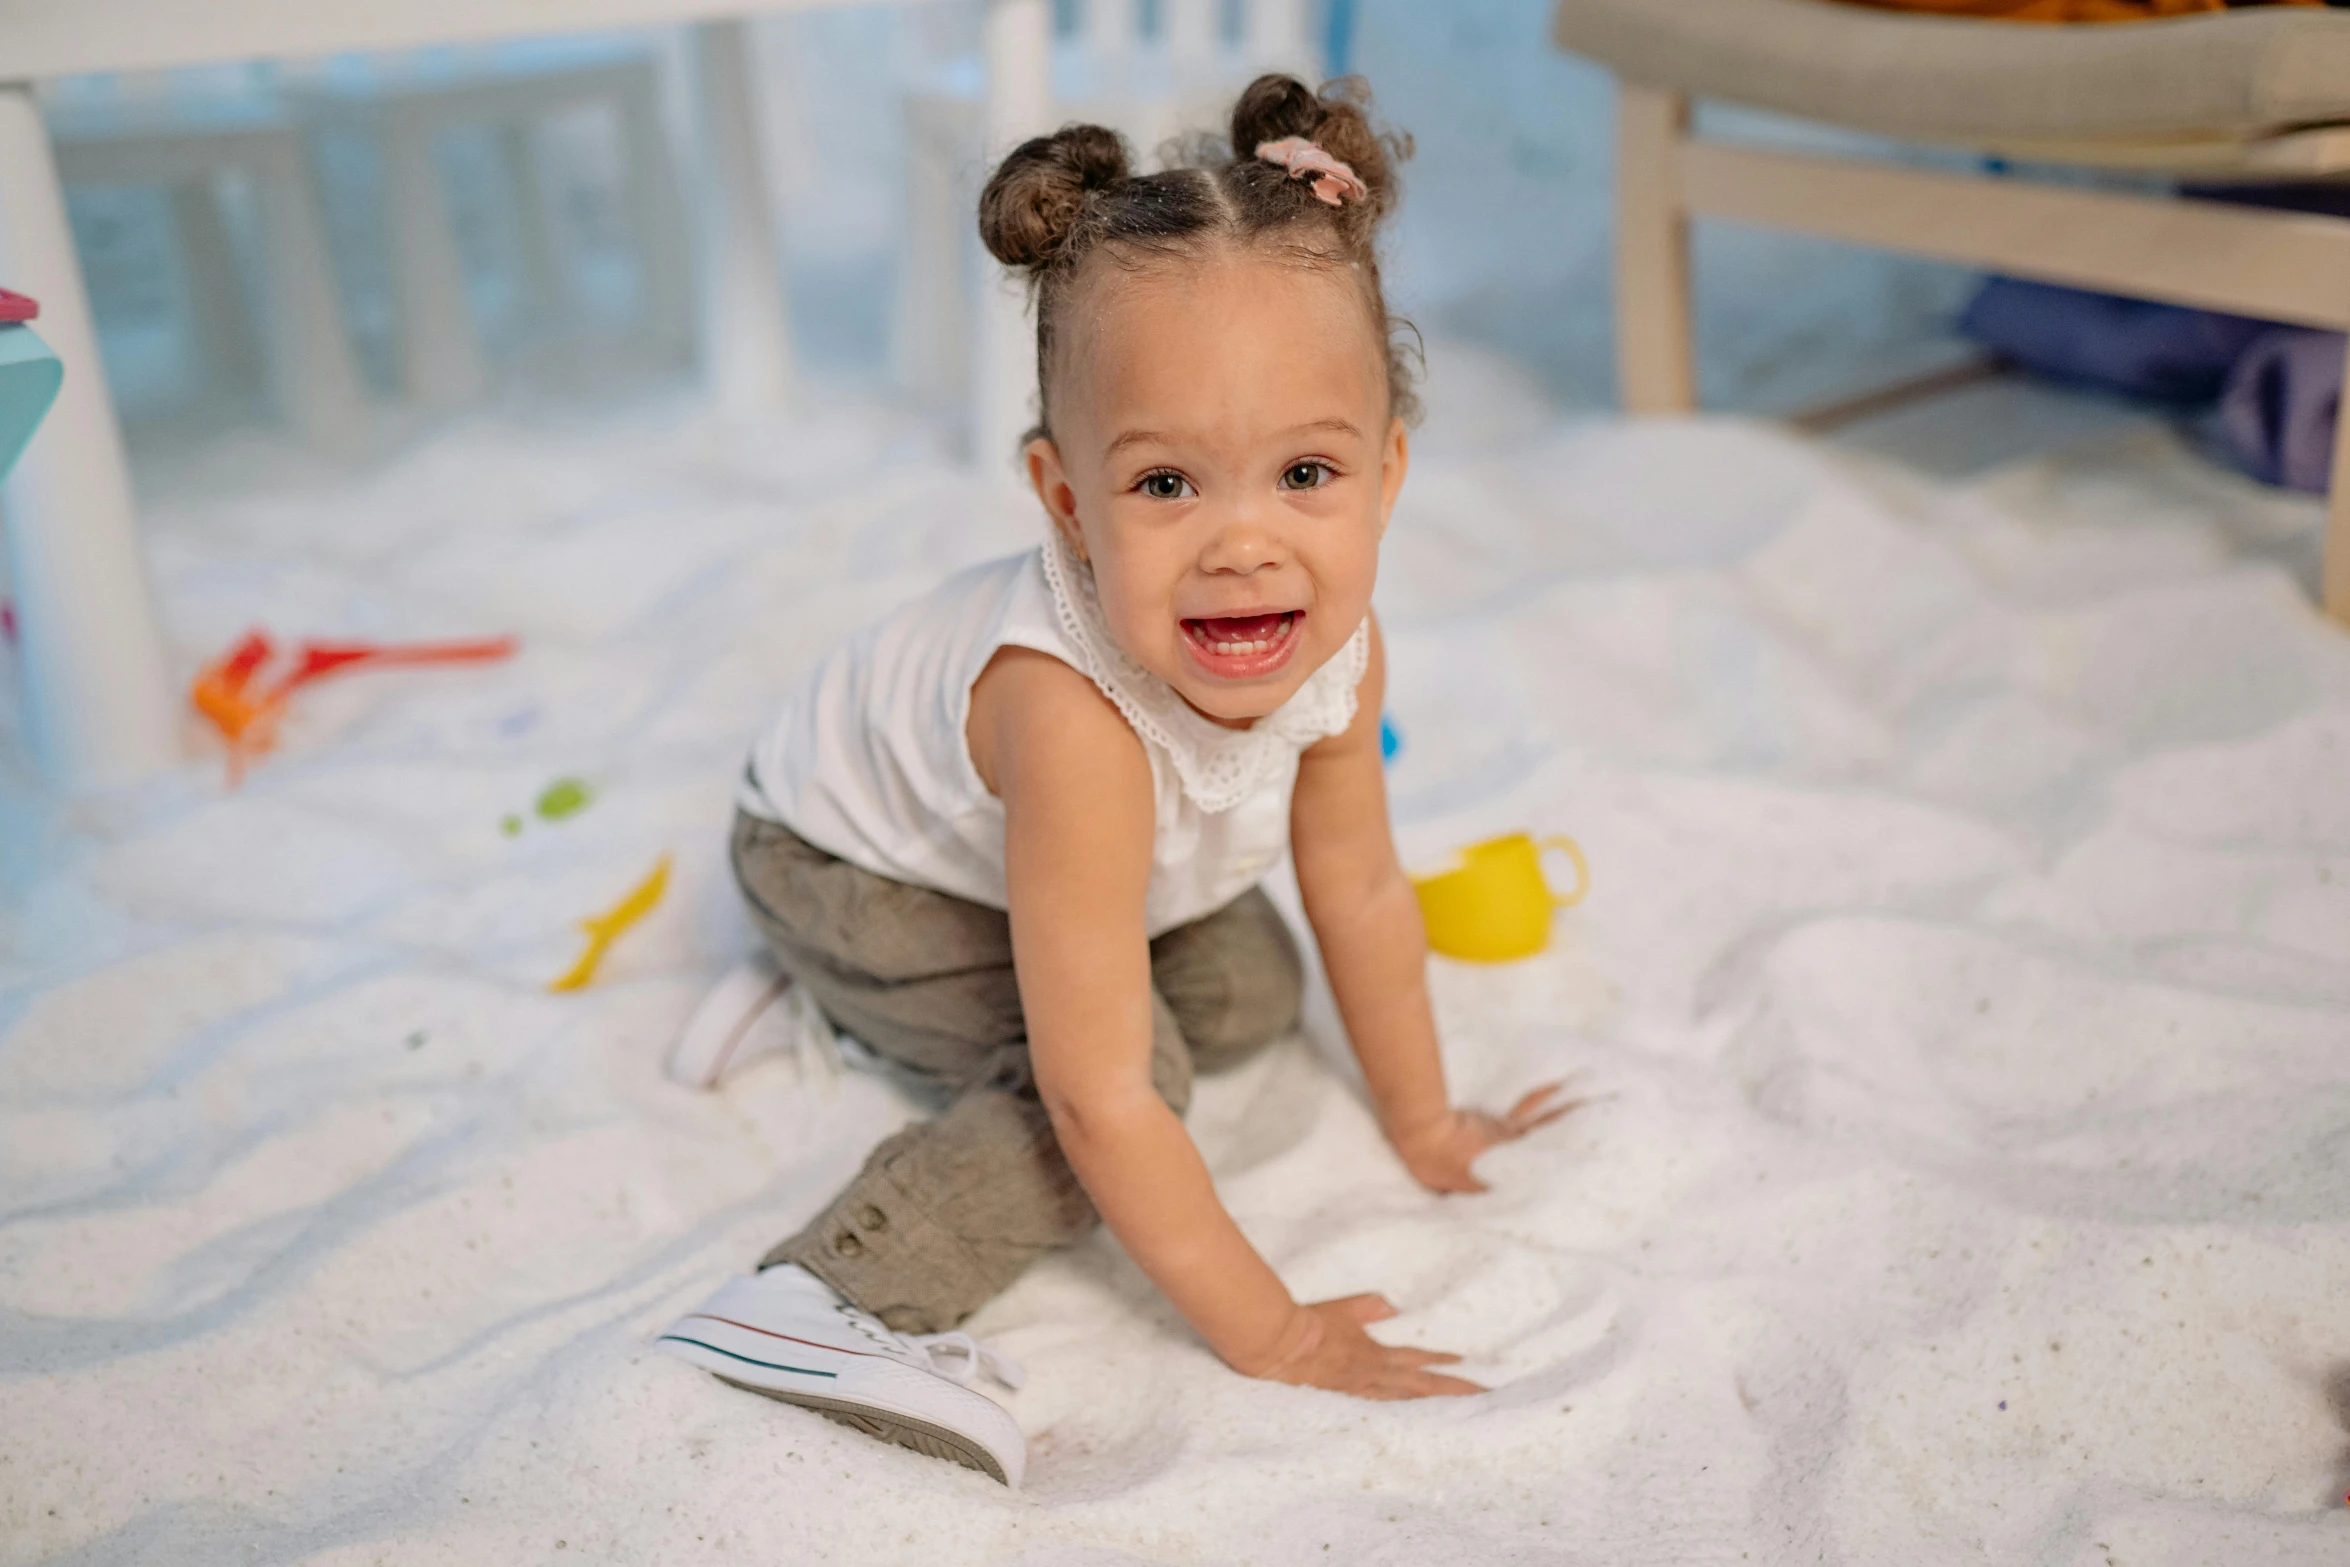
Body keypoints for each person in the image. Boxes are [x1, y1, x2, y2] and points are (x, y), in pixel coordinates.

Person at [657, 74, 1574, 1489]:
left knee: (1252, 987)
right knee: (1122, 1070)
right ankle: (821, 1293)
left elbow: (1363, 882)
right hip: (843, 867)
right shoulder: (1070, 716)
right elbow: (1099, 1104)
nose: (1243, 545)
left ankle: (868, 1008)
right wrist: (1278, 1335)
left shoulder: (1344, 650)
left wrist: (1424, 1117)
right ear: (1065, 499)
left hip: (1028, 855)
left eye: (1304, 472)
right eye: (1165, 487)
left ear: (1387, 473)